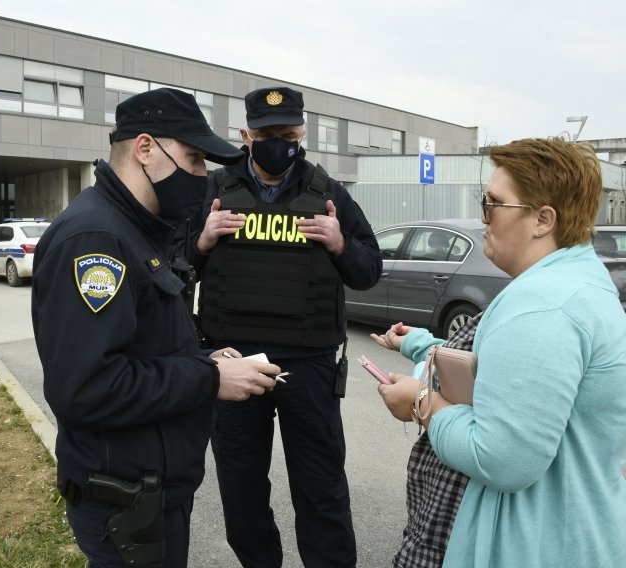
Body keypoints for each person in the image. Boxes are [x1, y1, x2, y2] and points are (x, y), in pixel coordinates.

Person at [31, 87, 280, 568]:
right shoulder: (96, 240)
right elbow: (88, 387)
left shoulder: (138, 228)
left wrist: (203, 361)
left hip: (150, 492)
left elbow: (140, 348)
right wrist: (208, 380)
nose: (202, 176)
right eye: (193, 159)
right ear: (145, 149)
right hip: (125, 501)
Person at [377, 137, 626, 568]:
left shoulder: (545, 305)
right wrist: (423, 348)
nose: (483, 217)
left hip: (529, 545)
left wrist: (422, 403)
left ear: (542, 220)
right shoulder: (577, 283)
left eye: (493, 204)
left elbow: (503, 459)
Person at [188, 86, 383, 567]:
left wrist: (340, 244)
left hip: (309, 365)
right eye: (267, 134)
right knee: (241, 491)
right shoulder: (212, 192)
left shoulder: (329, 193)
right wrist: (203, 241)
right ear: (245, 135)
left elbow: (368, 272)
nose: (279, 143)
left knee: (321, 489)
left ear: (303, 133)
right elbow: (172, 268)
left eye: (289, 134)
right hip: (233, 368)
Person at [370, 316, 480, 568]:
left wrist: (419, 400)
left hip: (456, 513)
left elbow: (500, 454)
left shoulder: (535, 307)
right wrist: (417, 343)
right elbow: (469, 362)